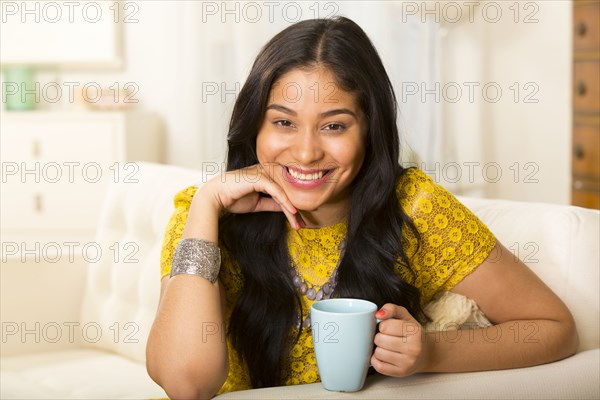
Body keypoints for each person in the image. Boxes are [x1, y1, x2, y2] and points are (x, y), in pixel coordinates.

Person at [146, 16, 578, 399]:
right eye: (283, 122)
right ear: (253, 125)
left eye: (334, 125)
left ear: (369, 130)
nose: (306, 152)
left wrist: (429, 352)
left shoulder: (415, 208)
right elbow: (187, 384)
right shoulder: (201, 218)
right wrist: (206, 205)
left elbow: (553, 328)